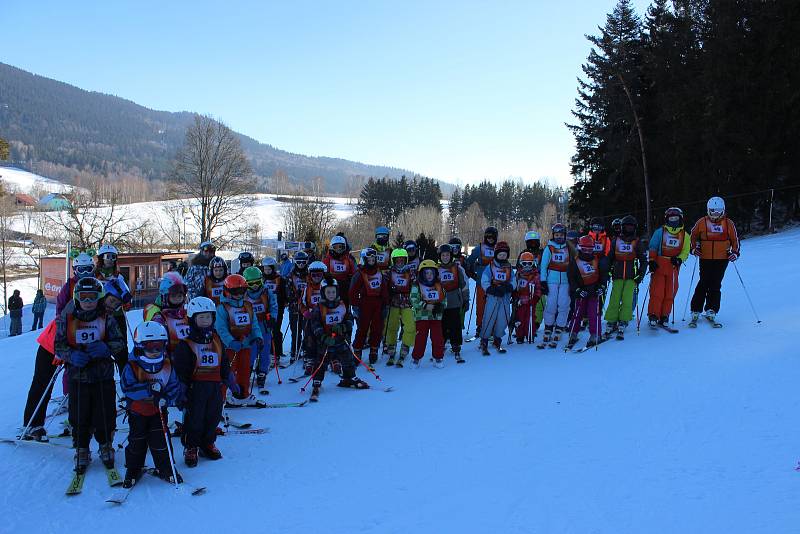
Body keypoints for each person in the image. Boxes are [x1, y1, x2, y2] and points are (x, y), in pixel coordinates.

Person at [55, 277, 126, 474]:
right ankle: (82, 449)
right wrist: (71, 355)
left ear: (99, 298)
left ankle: (105, 445)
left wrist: (106, 348)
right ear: (77, 298)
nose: (88, 301)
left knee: (105, 413)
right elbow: (58, 346)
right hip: (78, 378)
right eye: (84, 297)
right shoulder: (66, 319)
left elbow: (119, 343)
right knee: (79, 416)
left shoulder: (107, 318)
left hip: (102, 376)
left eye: (92, 297)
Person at [173, 296, 238, 466]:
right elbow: (181, 369)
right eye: (201, 317)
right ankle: (191, 446)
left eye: (208, 317)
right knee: (194, 419)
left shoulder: (216, 340)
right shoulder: (186, 344)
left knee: (213, 416)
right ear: (192, 319)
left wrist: (230, 379)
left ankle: (207, 442)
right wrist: (182, 390)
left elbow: (223, 362)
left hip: (215, 386)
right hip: (196, 388)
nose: (205, 321)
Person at [120, 321, 183, 486]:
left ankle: (166, 468)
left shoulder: (167, 365)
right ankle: (134, 468)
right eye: (150, 347)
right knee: (137, 441)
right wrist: (148, 390)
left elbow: (174, 386)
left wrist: (166, 399)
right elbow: (127, 388)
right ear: (140, 346)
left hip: (158, 412)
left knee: (161, 440)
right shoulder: (133, 366)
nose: (155, 352)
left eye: (159, 347)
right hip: (137, 412)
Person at [307, 277, 366, 401]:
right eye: (328, 292)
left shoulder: (342, 305)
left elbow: (349, 319)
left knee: (347, 358)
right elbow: (315, 325)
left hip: (340, 339)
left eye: (333, 292)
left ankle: (349, 377)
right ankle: (317, 382)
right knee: (322, 362)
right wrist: (323, 336)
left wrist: (343, 327)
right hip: (326, 342)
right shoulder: (319, 308)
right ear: (323, 293)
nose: (331, 295)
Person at [689, 196, 740, 325]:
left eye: (718, 211)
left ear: (723, 210)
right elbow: (693, 236)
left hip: (722, 259)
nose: (715, 214)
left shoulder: (728, 223)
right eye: (713, 211)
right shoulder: (702, 222)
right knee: (703, 282)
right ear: (708, 210)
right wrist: (694, 249)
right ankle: (696, 309)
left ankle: (711, 308)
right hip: (705, 258)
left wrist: (735, 252)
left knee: (716, 283)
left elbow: (735, 240)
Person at [215, 274, 264, 407]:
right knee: (228, 372)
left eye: (242, 291)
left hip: (245, 345)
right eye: (235, 291)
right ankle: (221, 399)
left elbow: (254, 324)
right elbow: (221, 329)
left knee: (244, 370)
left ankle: (242, 395)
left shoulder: (248, 305)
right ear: (227, 291)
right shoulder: (222, 308)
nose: (239, 294)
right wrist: (230, 342)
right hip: (229, 348)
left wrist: (258, 337)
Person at [603, 215, 647, 338]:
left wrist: (640, 275)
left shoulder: (637, 242)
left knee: (627, 300)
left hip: (631, 277)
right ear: (622, 228)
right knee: (614, 299)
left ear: (634, 228)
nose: (628, 229)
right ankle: (611, 320)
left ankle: (623, 320)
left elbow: (644, 260)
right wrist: (607, 271)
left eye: (630, 227)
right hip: (617, 275)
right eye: (626, 227)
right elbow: (609, 258)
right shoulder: (616, 241)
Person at [647, 207, 691, 327]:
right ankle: (653, 314)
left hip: (673, 266)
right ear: (667, 219)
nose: (673, 220)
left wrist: (679, 259)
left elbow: (685, 251)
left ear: (680, 219)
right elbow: (653, 246)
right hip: (659, 265)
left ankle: (665, 315)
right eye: (671, 218)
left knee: (670, 292)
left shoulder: (685, 235)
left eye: (676, 218)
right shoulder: (660, 232)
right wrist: (651, 261)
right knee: (657, 291)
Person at [565, 236, 610, 350]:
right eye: (585, 249)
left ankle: (595, 335)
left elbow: (603, 276)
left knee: (593, 313)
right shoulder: (575, 262)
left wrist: (602, 286)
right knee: (577, 313)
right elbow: (571, 279)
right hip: (581, 293)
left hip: (594, 292)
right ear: (580, 248)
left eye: (590, 249)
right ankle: (573, 333)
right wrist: (577, 290)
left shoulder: (597, 260)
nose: (587, 252)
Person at [349, 248, 389, 367]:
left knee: (377, 328)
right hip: (364, 304)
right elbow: (353, 291)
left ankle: (374, 349)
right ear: (365, 260)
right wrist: (355, 305)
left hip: (378, 303)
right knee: (362, 328)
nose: (371, 261)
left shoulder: (378, 272)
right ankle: (357, 350)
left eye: (373, 259)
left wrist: (386, 304)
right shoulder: (360, 273)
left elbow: (384, 289)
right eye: (369, 259)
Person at [20, 320, 59, 441]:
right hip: (51, 345)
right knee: (43, 384)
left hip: (75, 349)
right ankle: (32, 424)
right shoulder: (74, 305)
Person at [243, 266, 278, 390]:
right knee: (251, 350)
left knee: (264, 350)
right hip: (250, 328)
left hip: (264, 326)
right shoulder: (244, 295)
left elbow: (274, 306)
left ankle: (262, 372)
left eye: (257, 283)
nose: (255, 286)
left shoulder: (266, 292)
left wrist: (273, 318)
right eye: (251, 284)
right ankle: (248, 370)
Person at [479, 241, 516, 356]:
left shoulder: (509, 267)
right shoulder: (490, 266)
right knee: (489, 317)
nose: (502, 256)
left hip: (504, 296)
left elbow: (513, 281)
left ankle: (497, 338)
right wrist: (491, 289)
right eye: (500, 254)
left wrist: (509, 287)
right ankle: (484, 339)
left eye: (504, 255)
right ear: (496, 254)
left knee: (503, 318)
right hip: (493, 296)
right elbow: (484, 280)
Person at [409, 260, 446, 367]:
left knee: (438, 338)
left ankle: (438, 357)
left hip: (436, 318)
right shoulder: (417, 285)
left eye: (431, 273)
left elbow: (444, 300)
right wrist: (425, 305)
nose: (429, 276)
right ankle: (416, 358)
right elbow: (414, 300)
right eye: (426, 273)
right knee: (420, 338)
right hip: (422, 317)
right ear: (422, 274)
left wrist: (440, 307)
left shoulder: (439, 285)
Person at [539, 224, 571, 347]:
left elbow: (573, 264)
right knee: (551, 304)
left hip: (565, 281)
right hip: (551, 281)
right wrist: (543, 281)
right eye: (556, 235)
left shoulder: (569, 248)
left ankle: (560, 326)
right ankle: (548, 326)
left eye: (561, 235)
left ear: (564, 235)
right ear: (553, 235)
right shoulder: (549, 248)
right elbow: (543, 266)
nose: (559, 237)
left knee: (563, 304)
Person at [437, 244, 469, 363]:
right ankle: (442, 343)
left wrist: (466, 299)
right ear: (440, 256)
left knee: (455, 324)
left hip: (455, 300)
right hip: (441, 302)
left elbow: (464, 285)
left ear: (451, 255)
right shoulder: (437, 269)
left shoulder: (457, 268)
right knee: (442, 325)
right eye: (443, 255)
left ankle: (456, 344)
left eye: (447, 255)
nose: (445, 257)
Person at [384, 248, 416, 367]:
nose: (400, 262)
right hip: (393, 302)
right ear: (393, 261)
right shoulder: (389, 273)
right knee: (392, 325)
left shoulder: (411, 272)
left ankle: (405, 346)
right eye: (397, 260)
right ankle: (391, 345)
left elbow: (415, 284)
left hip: (407, 302)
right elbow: (383, 287)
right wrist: (387, 294)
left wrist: (414, 296)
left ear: (406, 260)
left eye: (402, 260)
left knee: (410, 326)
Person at [465, 226, 498, 339]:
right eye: (488, 237)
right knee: (481, 306)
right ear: (485, 237)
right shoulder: (479, 248)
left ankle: (492, 328)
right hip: (481, 282)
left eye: (493, 237)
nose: (490, 239)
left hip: (495, 282)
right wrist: (472, 273)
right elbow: (468, 261)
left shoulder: (498, 248)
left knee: (493, 305)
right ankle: (480, 327)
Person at [147, 272, 190, 356]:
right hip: (168, 358)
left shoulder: (186, 315)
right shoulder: (160, 318)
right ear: (165, 297)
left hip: (188, 357)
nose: (178, 299)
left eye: (180, 296)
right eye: (174, 296)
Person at [101, 275, 133, 373]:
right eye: (112, 301)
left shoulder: (109, 319)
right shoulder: (86, 310)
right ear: (104, 294)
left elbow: (119, 345)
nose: (112, 306)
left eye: (117, 305)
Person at [513, 251, 542, 343]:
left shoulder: (535, 276)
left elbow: (538, 288)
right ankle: (519, 336)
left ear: (533, 264)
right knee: (519, 319)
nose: (527, 266)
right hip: (520, 302)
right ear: (521, 263)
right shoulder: (518, 274)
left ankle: (530, 334)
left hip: (530, 301)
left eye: (529, 264)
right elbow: (514, 286)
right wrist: (514, 295)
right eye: (524, 263)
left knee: (530, 318)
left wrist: (536, 297)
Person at [285, 251, 309, 363]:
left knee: (306, 329)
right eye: (298, 262)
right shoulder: (291, 275)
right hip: (294, 307)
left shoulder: (309, 274)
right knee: (295, 331)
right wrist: (294, 296)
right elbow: (287, 291)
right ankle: (294, 350)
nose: (301, 264)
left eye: (303, 262)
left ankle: (304, 349)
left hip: (306, 307)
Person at [261, 257, 285, 360]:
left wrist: (284, 301)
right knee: (266, 330)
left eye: (269, 269)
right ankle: (267, 352)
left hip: (277, 307)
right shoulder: (261, 279)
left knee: (276, 330)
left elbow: (283, 292)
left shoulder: (278, 278)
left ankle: (277, 353)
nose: (267, 271)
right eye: (265, 269)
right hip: (265, 308)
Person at [322, 235, 357, 307]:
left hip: (345, 286)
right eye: (336, 247)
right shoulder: (328, 259)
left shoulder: (348, 259)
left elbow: (353, 272)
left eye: (340, 247)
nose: (338, 249)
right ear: (332, 247)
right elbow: (324, 271)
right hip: (331, 285)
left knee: (345, 303)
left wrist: (351, 279)